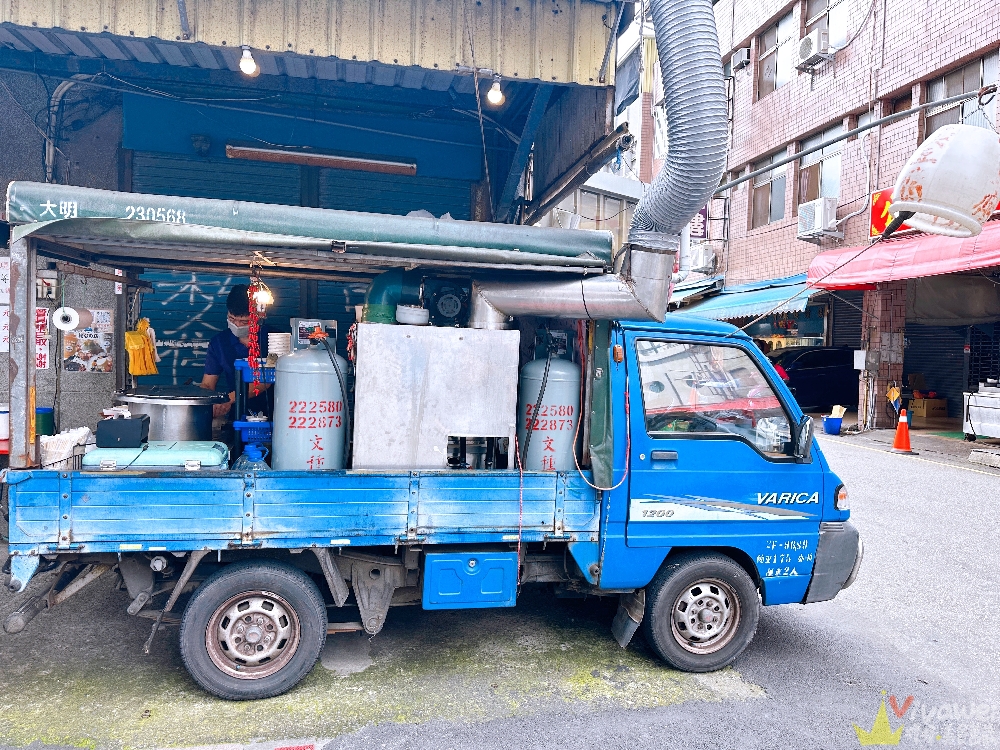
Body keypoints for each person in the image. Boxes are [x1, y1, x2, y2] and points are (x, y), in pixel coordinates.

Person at [201, 284, 270, 419]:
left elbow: (264, 381)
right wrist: (209, 403)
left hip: (274, 416)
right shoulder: (219, 342)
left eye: (244, 322)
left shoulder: (275, 339)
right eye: (232, 319)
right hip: (237, 417)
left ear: (259, 317)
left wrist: (229, 398)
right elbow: (208, 383)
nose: (237, 325)